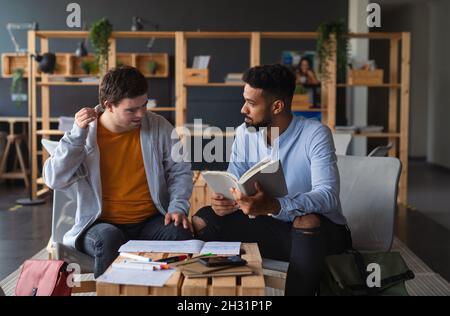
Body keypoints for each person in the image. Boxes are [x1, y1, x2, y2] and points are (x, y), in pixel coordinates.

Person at [192, 64, 351, 296]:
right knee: (204, 219)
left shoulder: (315, 134)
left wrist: (276, 205)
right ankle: (221, 292)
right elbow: (234, 181)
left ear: (277, 106)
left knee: (306, 221)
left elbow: (327, 196)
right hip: (271, 227)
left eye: (252, 103)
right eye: (244, 100)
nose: (243, 109)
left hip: (321, 234)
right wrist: (226, 201)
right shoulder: (244, 133)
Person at [43, 66, 193, 277]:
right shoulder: (84, 133)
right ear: (108, 106)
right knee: (109, 238)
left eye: (144, 105)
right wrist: (76, 137)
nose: (141, 114)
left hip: (149, 220)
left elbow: (180, 171)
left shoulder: (159, 126)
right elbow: (53, 179)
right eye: (131, 110)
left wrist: (177, 207)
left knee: (180, 232)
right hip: (98, 224)